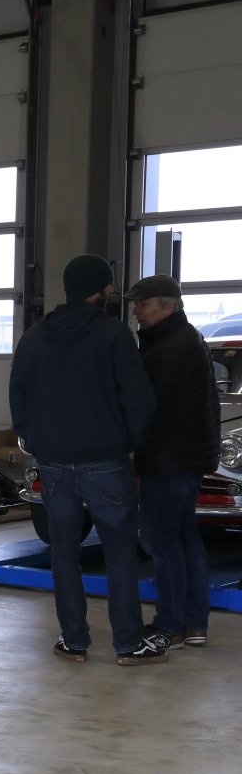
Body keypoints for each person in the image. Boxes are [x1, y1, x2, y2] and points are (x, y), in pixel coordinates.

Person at [9, 254, 163, 665]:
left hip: (54, 462)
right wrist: (127, 442)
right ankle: (128, 643)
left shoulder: (34, 338)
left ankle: (74, 641)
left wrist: (38, 442)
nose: (112, 291)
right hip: (105, 460)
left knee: (63, 550)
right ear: (100, 289)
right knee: (119, 550)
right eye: (109, 285)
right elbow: (138, 399)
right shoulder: (113, 334)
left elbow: (18, 398)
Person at [128, 274, 220, 652]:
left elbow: (150, 408)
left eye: (144, 304)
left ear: (171, 306)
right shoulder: (185, 338)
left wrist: (129, 446)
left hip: (167, 461)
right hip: (186, 459)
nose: (137, 311)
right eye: (136, 304)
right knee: (185, 540)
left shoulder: (169, 347)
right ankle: (195, 623)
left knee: (164, 543)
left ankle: (170, 626)